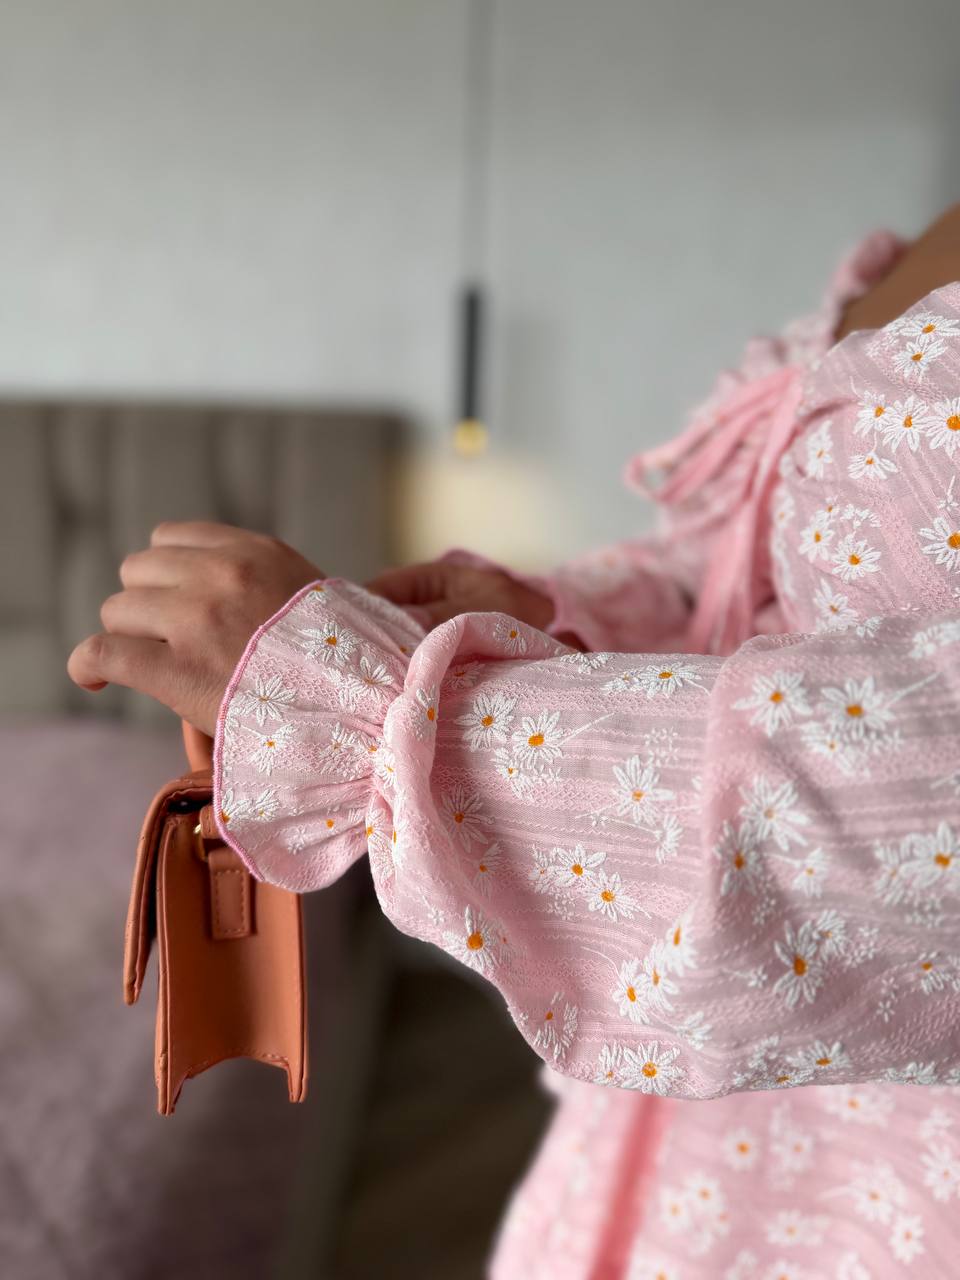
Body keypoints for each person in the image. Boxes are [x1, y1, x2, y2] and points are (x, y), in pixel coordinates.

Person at [69, 208, 960, 1278]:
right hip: (682, 1132)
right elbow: (751, 585)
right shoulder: (932, 227)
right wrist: (548, 623)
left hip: (888, 1189)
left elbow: (923, 811)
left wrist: (379, 709)